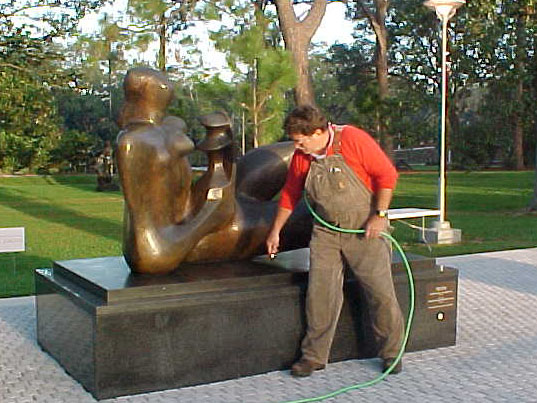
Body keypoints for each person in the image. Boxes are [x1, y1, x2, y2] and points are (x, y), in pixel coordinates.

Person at [266, 105, 404, 377]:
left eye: (300, 140)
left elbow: (387, 175)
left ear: (317, 132)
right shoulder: (302, 157)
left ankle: (391, 353)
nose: (297, 146)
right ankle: (314, 356)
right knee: (321, 294)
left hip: (365, 229)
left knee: (380, 294)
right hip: (326, 232)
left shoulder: (352, 139)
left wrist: (380, 215)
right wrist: (275, 231)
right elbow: (290, 194)